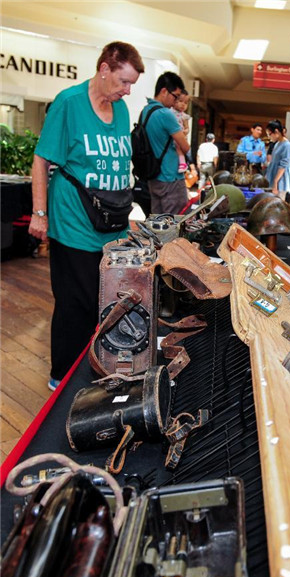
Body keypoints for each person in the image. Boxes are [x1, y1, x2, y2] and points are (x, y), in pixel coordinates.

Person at [28, 41, 144, 391]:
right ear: (104, 68)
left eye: (132, 85)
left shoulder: (120, 110)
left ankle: (95, 368)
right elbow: (41, 159)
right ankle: (61, 378)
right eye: (124, 81)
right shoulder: (69, 103)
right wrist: (39, 214)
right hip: (74, 221)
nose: (127, 91)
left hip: (112, 224)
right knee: (74, 303)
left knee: (106, 301)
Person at [141, 71, 190, 214]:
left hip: (154, 176)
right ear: (164, 91)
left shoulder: (146, 111)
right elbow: (185, 147)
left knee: (157, 222)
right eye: (175, 96)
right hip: (171, 177)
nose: (176, 102)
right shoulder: (165, 114)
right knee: (174, 223)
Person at [265, 120, 290, 199]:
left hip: (280, 179)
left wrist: (275, 182)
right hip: (274, 176)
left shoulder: (287, 145)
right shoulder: (277, 144)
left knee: (278, 204)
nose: (269, 137)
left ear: (276, 132)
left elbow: (283, 165)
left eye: (269, 134)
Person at [171, 90, 191, 173]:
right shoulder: (169, 112)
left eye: (186, 103)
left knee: (179, 147)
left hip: (180, 136)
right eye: (180, 101)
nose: (183, 104)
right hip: (172, 136)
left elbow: (187, 128)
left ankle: (183, 163)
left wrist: (185, 132)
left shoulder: (184, 116)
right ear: (174, 101)